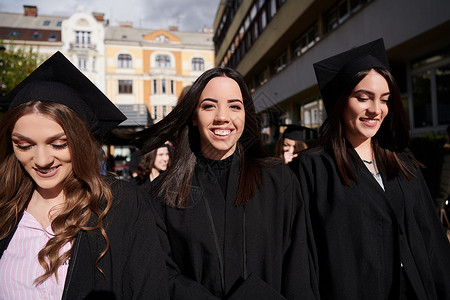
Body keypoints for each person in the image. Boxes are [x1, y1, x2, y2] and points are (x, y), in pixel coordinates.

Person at [131, 67, 319, 299]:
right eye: (209, 106)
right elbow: (161, 274)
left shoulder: (278, 181)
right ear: (193, 116)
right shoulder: (162, 195)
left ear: (245, 115)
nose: (223, 116)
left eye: (235, 106)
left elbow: (298, 266)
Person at [0, 52, 168, 299]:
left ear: (80, 142)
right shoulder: (5, 207)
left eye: (59, 144)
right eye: (24, 146)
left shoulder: (121, 206)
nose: (43, 160)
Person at [291, 39, 450, 299]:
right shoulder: (313, 169)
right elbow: (305, 254)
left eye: (384, 100)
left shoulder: (403, 163)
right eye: (363, 98)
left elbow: (433, 241)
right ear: (341, 101)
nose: (376, 110)